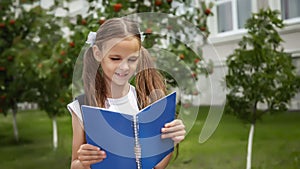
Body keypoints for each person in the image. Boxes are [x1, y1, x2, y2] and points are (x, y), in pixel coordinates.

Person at [67, 17, 186, 169]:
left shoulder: (146, 101)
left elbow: (157, 166)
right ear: (98, 54)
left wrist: (170, 140)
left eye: (132, 59)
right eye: (115, 58)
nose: (124, 67)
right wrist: (84, 162)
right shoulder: (82, 107)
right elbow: (74, 164)